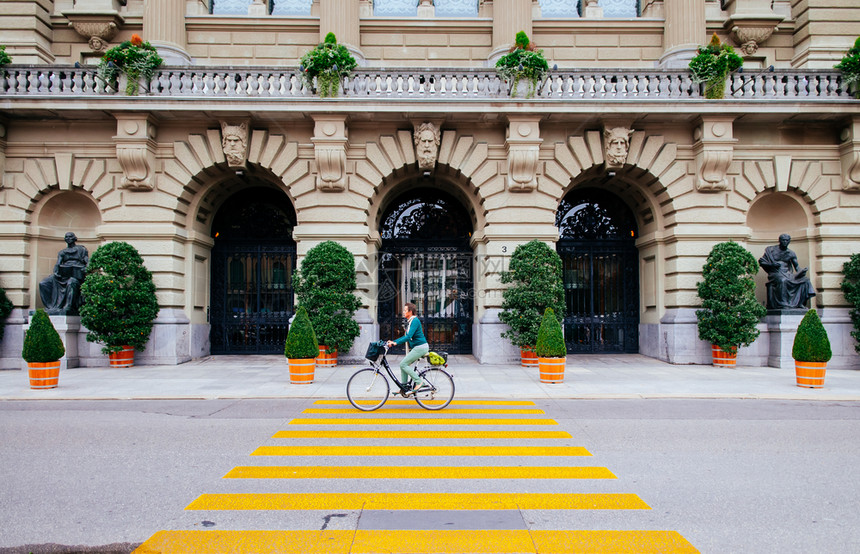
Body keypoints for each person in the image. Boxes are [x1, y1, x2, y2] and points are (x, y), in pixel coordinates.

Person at [758, 233, 816, 310]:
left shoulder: (791, 253)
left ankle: (799, 303)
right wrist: (772, 265)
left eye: (787, 240)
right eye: (783, 240)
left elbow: (797, 268)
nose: (785, 242)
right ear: (779, 241)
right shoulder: (771, 250)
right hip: (775, 273)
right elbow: (761, 262)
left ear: (789, 241)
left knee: (806, 281)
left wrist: (802, 271)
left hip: (788, 274)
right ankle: (783, 304)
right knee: (783, 280)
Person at [39, 231, 89, 315]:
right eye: (66, 237)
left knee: (71, 283)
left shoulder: (81, 249)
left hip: (76, 275)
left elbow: (87, 261)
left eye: (70, 237)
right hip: (63, 274)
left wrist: (86, 268)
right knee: (43, 283)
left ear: (74, 238)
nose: (68, 238)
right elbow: (58, 264)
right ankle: (50, 306)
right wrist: (56, 272)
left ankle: (68, 306)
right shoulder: (62, 252)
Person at [387, 302, 428, 394]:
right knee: (404, 365)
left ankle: (419, 382)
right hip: (418, 348)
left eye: (405, 310)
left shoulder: (415, 321)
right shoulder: (411, 322)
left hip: (420, 347)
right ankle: (404, 387)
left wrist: (395, 342)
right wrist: (394, 341)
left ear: (410, 311)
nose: (404, 312)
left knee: (403, 364)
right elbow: (405, 336)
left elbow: (408, 337)